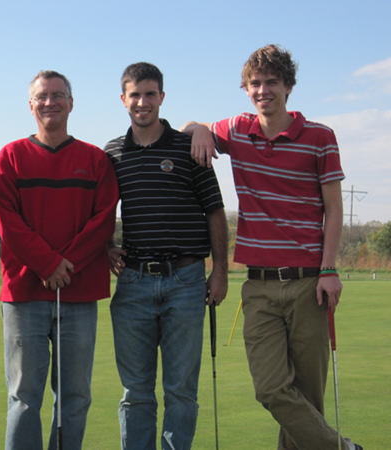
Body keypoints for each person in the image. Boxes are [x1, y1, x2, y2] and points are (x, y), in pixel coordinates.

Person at [180, 45, 362, 450]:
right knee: (271, 389)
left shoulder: (319, 137)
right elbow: (190, 125)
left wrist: (330, 269)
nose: (263, 90)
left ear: (289, 87)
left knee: (307, 397)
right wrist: (204, 129)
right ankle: (342, 448)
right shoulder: (238, 129)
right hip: (259, 288)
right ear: (246, 89)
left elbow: (334, 209)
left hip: (308, 283)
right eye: (255, 84)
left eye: (272, 83)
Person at [0, 70, 119, 450]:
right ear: (31, 105)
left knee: (75, 396)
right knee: (25, 396)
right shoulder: (9, 158)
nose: (50, 102)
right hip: (24, 295)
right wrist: (48, 264)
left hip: (78, 295)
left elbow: (103, 220)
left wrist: (66, 264)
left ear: (71, 103)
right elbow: (6, 221)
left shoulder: (95, 160)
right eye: (42, 96)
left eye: (58, 95)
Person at [104, 62, 228, 450]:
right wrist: (107, 245)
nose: (142, 102)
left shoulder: (189, 147)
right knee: (136, 392)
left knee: (181, 391)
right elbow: (102, 211)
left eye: (150, 94)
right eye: (135, 94)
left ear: (162, 97)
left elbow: (215, 212)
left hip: (186, 281)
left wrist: (221, 270)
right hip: (134, 282)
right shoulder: (111, 153)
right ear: (123, 99)